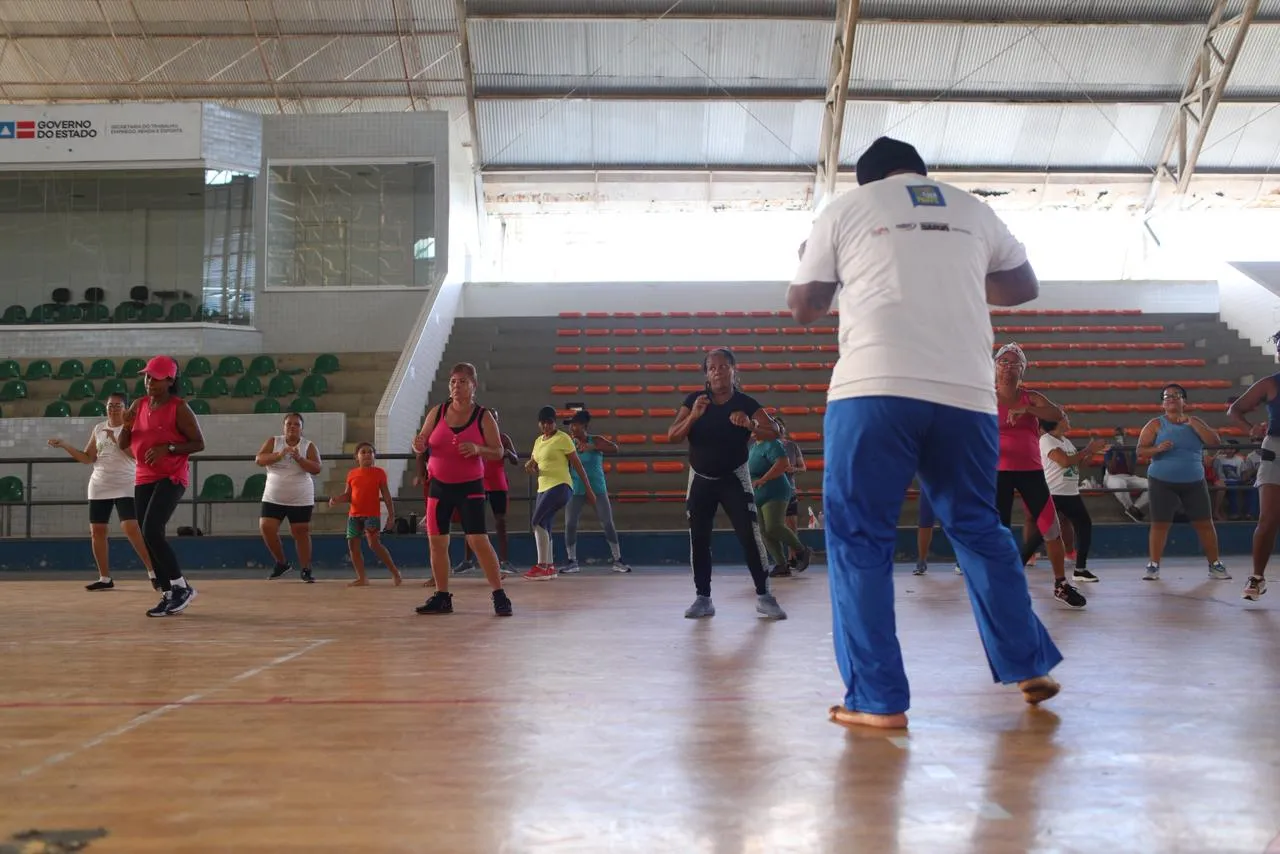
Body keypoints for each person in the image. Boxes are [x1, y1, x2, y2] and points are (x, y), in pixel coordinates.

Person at [788, 136, 1064, 729]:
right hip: (965, 396)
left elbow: (804, 306)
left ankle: (877, 699)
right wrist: (955, 277)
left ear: (867, 180)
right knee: (978, 527)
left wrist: (813, 258)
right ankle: (1029, 665)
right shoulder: (971, 208)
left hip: (875, 390)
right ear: (919, 172)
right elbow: (1022, 287)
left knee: (860, 537)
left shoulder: (845, 209)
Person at [667, 348, 786, 620]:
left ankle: (764, 595)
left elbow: (775, 431)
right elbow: (672, 435)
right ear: (706, 374)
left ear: (733, 370)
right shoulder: (694, 401)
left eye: (723, 366)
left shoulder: (746, 402)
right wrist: (693, 416)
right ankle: (703, 598)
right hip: (700, 479)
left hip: (735, 478)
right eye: (712, 367)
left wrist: (751, 425)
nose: (718, 371)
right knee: (699, 538)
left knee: (749, 535)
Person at [410, 362, 512, 615]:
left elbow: (499, 451)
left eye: (462, 382)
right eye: (453, 381)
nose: (457, 386)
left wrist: (478, 450)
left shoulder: (483, 416)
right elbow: (422, 444)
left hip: (470, 486)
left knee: (477, 539)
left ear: (473, 386)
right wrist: (418, 445)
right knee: (437, 543)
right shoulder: (438, 411)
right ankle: (442, 596)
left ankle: (499, 594)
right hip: (439, 488)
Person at [993, 343, 1087, 609]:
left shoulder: (1030, 397)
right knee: (998, 530)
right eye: (1003, 362)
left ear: (1022, 368)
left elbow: (1057, 414)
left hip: (1031, 471)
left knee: (1050, 525)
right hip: (998, 472)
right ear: (995, 366)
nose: (1008, 367)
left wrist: (1028, 410)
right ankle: (999, 583)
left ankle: (1060, 583)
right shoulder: (986, 396)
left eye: (1013, 363)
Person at [118, 355, 206, 618]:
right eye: (147, 377)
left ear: (170, 380)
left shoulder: (179, 408)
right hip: (144, 475)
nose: (149, 382)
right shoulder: (139, 404)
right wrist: (126, 423)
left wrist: (168, 448)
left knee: (151, 529)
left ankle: (181, 587)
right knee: (147, 535)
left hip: (172, 475)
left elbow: (198, 443)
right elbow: (124, 442)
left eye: (155, 378)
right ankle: (168, 593)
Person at [47, 392, 156, 591]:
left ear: (125, 408)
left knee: (130, 527)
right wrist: (65, 445)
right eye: (110, 405)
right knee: (97, 531)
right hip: (100, 483)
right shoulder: (98, 428)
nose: (113, 408)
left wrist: (116, 440)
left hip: (126, 482)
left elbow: (137, 457)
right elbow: (88, 458)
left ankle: (154, 572)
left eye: (117, 405)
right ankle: (105, 578)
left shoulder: (131, 427)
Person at [1136, 383, 1229, 581]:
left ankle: (1215, 564)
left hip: (1194, 480)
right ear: (1162, 403)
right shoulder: (1155, 424)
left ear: (1184, 401)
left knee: (1205, 523)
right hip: (1162, 481)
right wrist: (1157, 449)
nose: (1170, 398)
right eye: (1166, 396)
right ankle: (1153, 565)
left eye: (1176, 395)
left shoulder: (1195, 421)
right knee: (1160, 523)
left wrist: (1193, 423)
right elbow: (1140, 450)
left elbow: (1214, 442)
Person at [1228, 347, 1280, 600]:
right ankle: (1257, 577)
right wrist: (1251, 429)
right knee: (1268, 518)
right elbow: (1234, 410)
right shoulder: (1270, 383)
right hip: (1276, 450)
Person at [523, 405, 596, 580]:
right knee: (545, 523)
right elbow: (535, 460)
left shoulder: (563, 438)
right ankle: (549, 566)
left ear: (554, 423)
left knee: (537, 521)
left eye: (549, 423)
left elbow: (577, 464)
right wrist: (530, 465)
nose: (546, 426)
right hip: (543, 487)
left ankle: (541, 566)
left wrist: (588, 489)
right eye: (543, 423)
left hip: (560, 485)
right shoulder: (538, 441)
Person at [256, 412, 322, 583]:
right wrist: (279, 455)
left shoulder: (309, 445)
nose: (292, 427)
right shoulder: (274, 441)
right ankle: (281, 562)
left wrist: (299, 458)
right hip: (273, 495)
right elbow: (259, 459)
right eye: (289, 424)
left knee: (300, 531)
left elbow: (316, 468)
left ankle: (306, 569)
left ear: (302, 428)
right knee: (266, 527)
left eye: (296, 424)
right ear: (283, 427)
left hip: (300, 496)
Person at [562, 410, 631, 573]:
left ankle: (617, 559)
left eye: (575, 424)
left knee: (607, 522)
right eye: (570, 425)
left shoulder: (596, 440)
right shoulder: (567, 443)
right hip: (576, 489)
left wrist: (593, 447)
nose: (572, 427)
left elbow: (614, 448)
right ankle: (572, 561)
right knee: (570, 524)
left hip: (597, 489)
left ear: (584, 425)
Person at [1039, 416, 1105, 583]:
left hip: (1070, 493)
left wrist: (1090, 455)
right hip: (1054, 493)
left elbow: (1076, 464)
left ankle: (1080, 569)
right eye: (1064, 417)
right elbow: (1065, 461)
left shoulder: (1065, 441)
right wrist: (1088, 450)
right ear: (1055, 422)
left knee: (1084, 525)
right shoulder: (1047, 440)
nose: (1068, 419)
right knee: (1042, 533)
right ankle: (1019, 561)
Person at [328, 442, 402, 587]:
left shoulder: (379, 473)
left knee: (374, 544)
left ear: (374, 456)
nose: (367, 454)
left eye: (370, 452)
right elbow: (348, 495)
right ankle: (362, 577)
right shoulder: (352, 474)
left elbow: (386, 495)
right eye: (363, 452)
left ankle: (395, 572)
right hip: (354, 515)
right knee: (353, 546)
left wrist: (391, 515)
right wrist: (336, 499)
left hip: (371, 515)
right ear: (356, 457)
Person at [748, 430, 813, 577]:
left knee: (774, 526)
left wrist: (763, 479)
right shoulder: (753, 447)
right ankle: (781, 564)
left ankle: (801, 550)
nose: (751, 431)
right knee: (764, 531)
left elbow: (781, 464)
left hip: (775, 490)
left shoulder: (772, 444)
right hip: (758, 492)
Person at [774, 417, 808, 569]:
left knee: (791, 525)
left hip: (789, 489)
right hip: (772, 491)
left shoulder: (792, 446)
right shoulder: (763, 446)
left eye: (780, 426)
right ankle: (781, 559)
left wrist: (793, 469)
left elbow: (803, 467)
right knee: (774, 526)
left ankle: (792, 557)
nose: (779, 429)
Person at [1102, 427, 1149, 521]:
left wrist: (1125, 452)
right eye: (1117, 435)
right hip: (1112, 477)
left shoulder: (1131, 450)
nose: (1119, 437)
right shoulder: (1109, 450)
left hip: (1128, 476)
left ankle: (1135, 508)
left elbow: (1131, 471)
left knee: (1153, 485)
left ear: (1125, 436)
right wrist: (1115, 453)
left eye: (1121, 435)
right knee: (1120, 484)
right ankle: (1130, 508)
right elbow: (1111, 470)